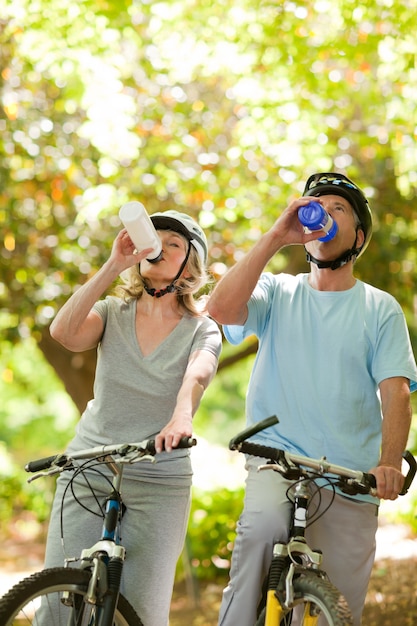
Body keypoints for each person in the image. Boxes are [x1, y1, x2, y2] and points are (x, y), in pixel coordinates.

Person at [207, 172, 417, 626]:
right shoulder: (278, 290)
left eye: (337, 207)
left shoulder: (380, 308)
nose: (322, 210)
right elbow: (219, 310)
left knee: (340, 607)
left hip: (350, 476)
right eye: (315, 202)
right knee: (260, 535)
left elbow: (396, 391)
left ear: (358, 236)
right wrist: (274, 237)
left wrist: (389, 462)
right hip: (276, 462)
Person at [46, 209, 222, 626]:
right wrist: (114, 264)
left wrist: (182, 417)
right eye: (152, 239)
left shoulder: (203, 328)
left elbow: (197, 375)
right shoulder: (111, 312)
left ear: (190, 265)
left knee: (140, 612)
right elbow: (64, 334)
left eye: (172, 243)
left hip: (160, 477)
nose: (157, 247)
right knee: (56, 604)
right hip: (89, 463)